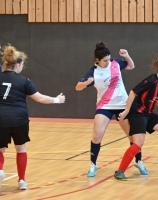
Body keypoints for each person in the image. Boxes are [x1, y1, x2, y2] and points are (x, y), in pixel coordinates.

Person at [75, 42, 148, 177]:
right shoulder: (94, 72)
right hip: (105, 106)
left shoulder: (115, 63)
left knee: (133, 137)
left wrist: (127, 56)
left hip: (122, 105)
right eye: (105, 60)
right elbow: (77, 87)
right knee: (97, 136)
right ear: (98, 60)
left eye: (109, 59)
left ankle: (138, 161)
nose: (108, 62)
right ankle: (93, 165)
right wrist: (85, 83)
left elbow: (131, 66)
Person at [0, 45, 66, 190]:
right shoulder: (24, 81)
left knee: (0, 149)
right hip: (19, 118)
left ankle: (0, 170)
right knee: (21, 149)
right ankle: (22, 181)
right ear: (17, 65)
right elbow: (40, 98)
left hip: (1, 118)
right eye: (22, 64)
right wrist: (56, 100)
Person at [114, 52, 158, 180]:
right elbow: (133, 92)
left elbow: (157, 96)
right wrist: (126, 111)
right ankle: (120, 171)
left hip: (148, 113)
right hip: (138, 113)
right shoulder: (151, 80)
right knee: (138, 143)